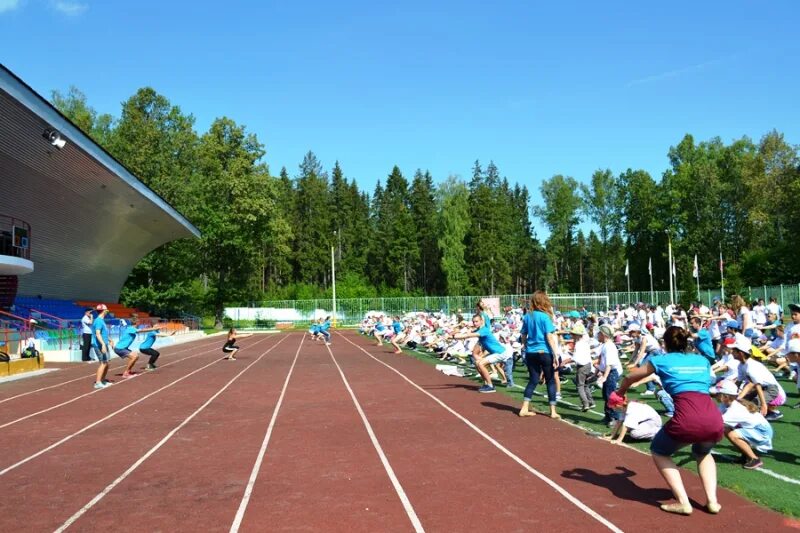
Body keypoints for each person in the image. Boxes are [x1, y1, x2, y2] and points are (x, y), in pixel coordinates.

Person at [615, 326, 723, 516]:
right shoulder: (702, 360)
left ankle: (683, 502)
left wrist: (620, 392)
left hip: (687, 418)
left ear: (665, 343)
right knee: (703, 452)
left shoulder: (660, 360)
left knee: (659, 450)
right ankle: (712, 501)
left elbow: (631, 376)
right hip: (713, 417)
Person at [519, 290, 561, 419]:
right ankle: (553, 411)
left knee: (533, 380)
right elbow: (549, 336)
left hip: (531, 352)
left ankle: (524, 407)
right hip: (544, 352)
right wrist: (555, 354)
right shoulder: (545, 317)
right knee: (550, 381)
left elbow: (523, 334)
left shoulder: (528, 316)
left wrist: (526, 346)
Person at [716, 380, 773, 470]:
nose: (715, 395)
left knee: (732, 434)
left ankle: (754, 459)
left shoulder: (735, 409)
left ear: (726, 396)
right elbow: (715, 415)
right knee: (727, 430)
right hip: (757, 428)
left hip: (762, 431)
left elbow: (716, 422)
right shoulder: (726, 404)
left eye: (718, 393)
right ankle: (745, 456)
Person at [450, 313, 511, 394]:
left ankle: (490, 386)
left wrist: (454, 336)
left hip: (501, 353)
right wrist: (455, 332)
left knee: (481, 363)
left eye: (477, 321)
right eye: (474, 322)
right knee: (477, 363)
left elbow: (468, 335)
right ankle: (486, 383)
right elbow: (466, 332)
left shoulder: (484, 330)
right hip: (496, 353)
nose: (475, 323)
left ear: (481, 321)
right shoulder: (479, 329)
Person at [729, 334, 786, 420]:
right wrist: (731, 395)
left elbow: (756, 385)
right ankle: (767, 412)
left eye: (734, 351)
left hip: (775, 392)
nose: (731, 352)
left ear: (740, 353)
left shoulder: (751, 366)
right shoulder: (741, 365)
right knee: (742, 402)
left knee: (750, 405)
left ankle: (767, 413)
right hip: (763, 389)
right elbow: (738, 383)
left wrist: (763, 404)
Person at [597, 324, 623, 425]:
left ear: (603, 334)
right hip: (608, 372)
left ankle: (615, 418)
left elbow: (609, 363)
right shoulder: (604, 345)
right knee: (605, 395)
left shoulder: (609, 346)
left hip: (612, 373)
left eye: (599, 333)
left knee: (610, 395)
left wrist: (604, 376)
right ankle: (608, 416)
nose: (598, 335)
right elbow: (602, 361)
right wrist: (598, 371)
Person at [91, 304, 114, 389]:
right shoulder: (98, 321)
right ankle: (98, 382)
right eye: (107, 310)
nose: (107, 311)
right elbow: (97, 333)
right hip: (99, 345)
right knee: (103, 363)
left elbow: (103, 333)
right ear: (104, 311)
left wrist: (109, 339)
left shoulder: (101, 320)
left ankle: (103, 380)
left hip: (103, 344)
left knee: (107, 363)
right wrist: (103, 344)